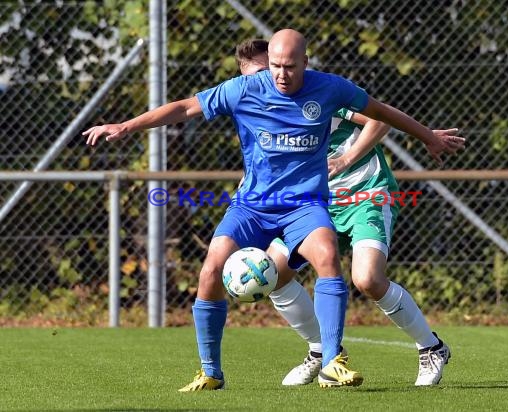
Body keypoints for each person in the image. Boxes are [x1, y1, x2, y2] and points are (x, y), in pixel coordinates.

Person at [84, 29, 465, 391]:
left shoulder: (330, 89)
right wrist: (127, 126)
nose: (281, 75)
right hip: (253, 206)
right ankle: (212, 372)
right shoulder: (245, 89)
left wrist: (427, 136)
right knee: (213, 269)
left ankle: (335, 360)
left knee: (330, 256)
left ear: (304, 62)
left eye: (288, 66)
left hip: (313, 204)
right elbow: (185, 108)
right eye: (276, 67)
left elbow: (381, 113)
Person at [235, 39, 453, 387]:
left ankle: (431, 348)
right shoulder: (258, 106)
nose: (269, 79)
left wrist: (347, 158)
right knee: (271, 275)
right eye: (255, 76)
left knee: (367, 279)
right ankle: (322, 352)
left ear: (296, 65)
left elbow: (379, 119)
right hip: (312, 204)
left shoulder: (322, 93)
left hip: (365, 194)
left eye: (274, 69)